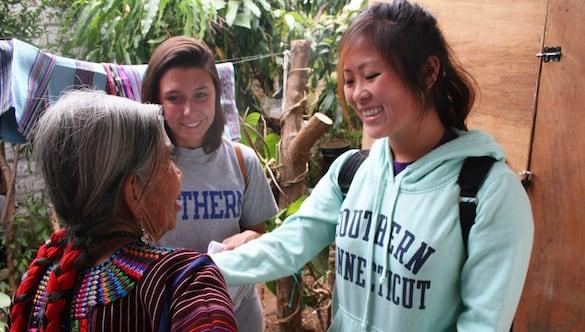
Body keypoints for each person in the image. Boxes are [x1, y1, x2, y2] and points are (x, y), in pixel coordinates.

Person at [212, 1, 534, 331]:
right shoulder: (351, 172)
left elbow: (482, 324)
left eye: (371, 76)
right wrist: (192, 268)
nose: (357, 94)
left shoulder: (489, 194)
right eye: (349, 81)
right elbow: (287, 246)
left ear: (428, 72)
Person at [9, 91, 237, 332]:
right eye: (168, 159)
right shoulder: (184, 280)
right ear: (134, 190)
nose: (179, 173)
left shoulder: (40, 282)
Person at [142, 36, 278, 331]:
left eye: (201, 95)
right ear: (156, 101)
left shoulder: (243, 161)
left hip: (238, 316)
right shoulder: (141, 167)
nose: (189, 111)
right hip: (165, 317)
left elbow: (258, 231)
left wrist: (252, 238)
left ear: (217, 94)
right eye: (174, 98)